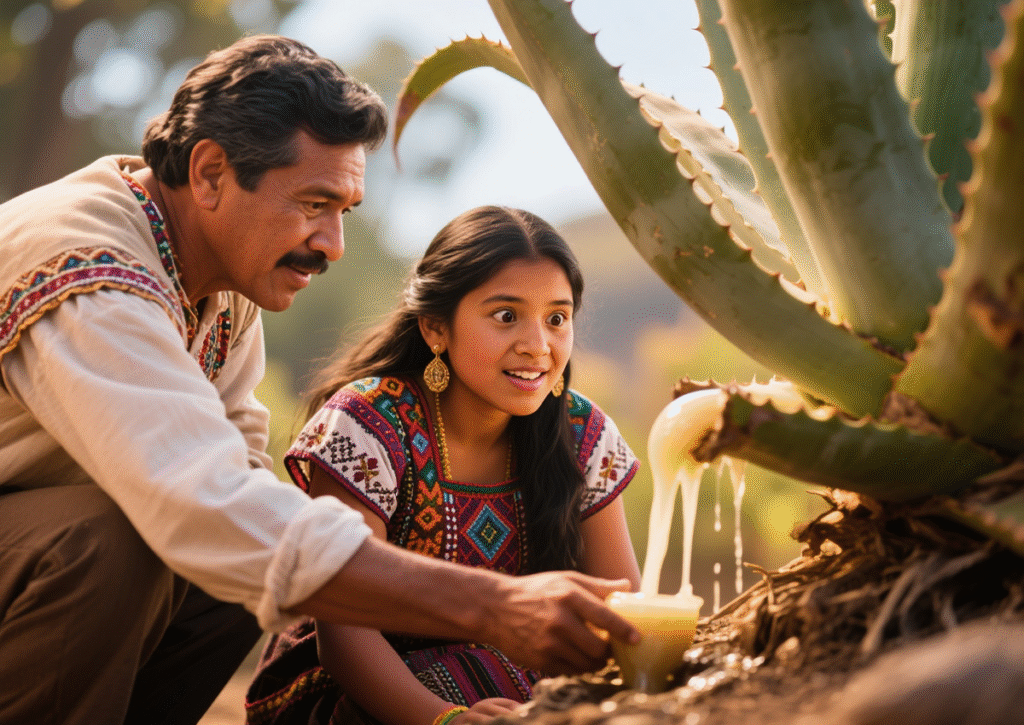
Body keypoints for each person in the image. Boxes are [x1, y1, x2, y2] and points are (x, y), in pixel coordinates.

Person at [0, 36, 639, 725]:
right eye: (313, 203)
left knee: (239, 565)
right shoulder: (90, 269)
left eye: (345, 211)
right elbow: (203, 502)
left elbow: (239, 477)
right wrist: (493, 605)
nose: (332, 243)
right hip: (44, 542)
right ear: (210, 173)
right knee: (126, 541)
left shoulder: (218, 281)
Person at [244, 205, 643, 725]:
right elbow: (344, 637)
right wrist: (447, 719)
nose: (537, 346)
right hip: (358, 694)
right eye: (506, 316)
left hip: (519, 682)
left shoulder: (583, 433)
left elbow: (621, 609)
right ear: (436, 328)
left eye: (557, 319)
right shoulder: (369, 424)